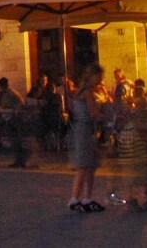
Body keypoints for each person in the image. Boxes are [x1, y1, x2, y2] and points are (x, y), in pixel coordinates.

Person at [108, 87, 147, 211]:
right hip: (134, 147)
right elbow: (141, 129)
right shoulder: (133, 113)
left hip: (127, 143)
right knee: (140, 174)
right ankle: (141, 199)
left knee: (132, 174)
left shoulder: (125, 110)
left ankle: (132, 198)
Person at [64, 67, 104, 212]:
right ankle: (75, 198)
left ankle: (86, 198)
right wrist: (106, 115)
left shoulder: (80, 91)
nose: (100, 80)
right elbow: (93, 113)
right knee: (84, 165)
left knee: (89, 165)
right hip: (84, 130)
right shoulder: (87, 92)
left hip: (82, 129)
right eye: (99, 76)